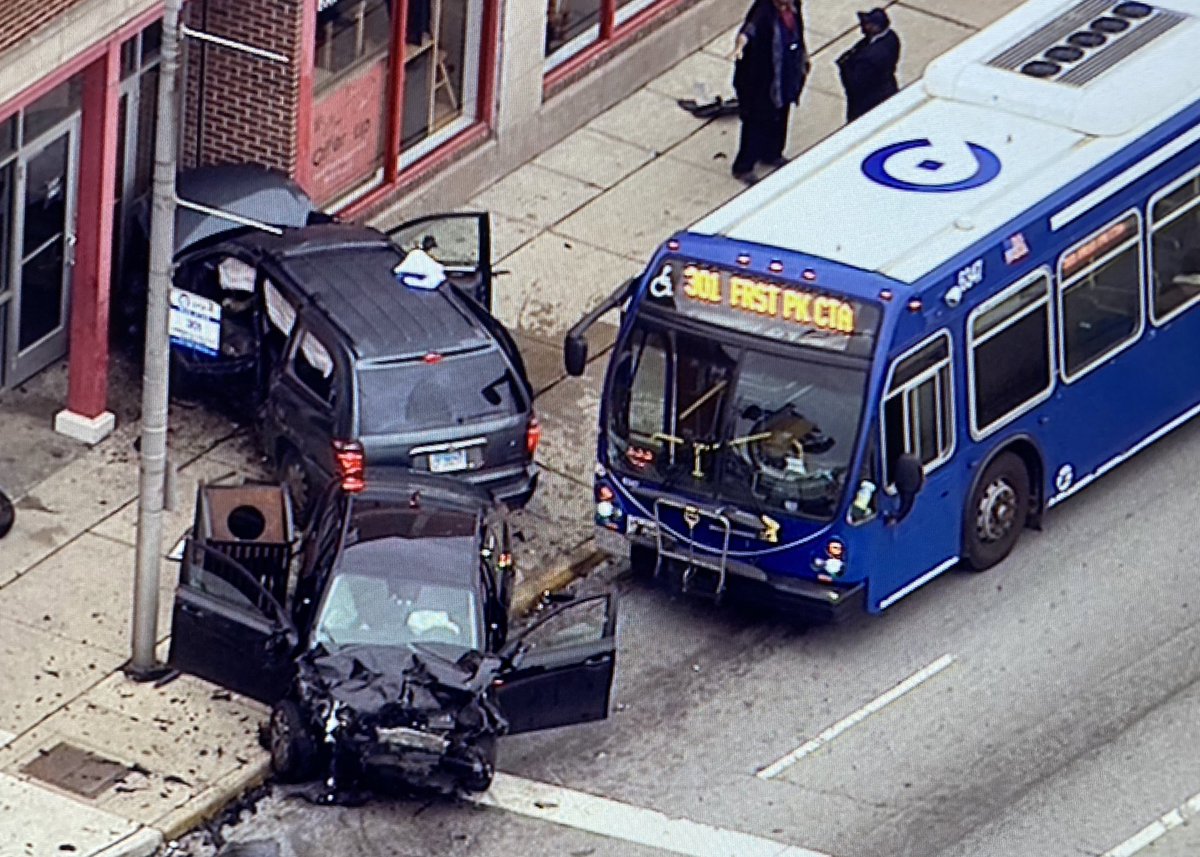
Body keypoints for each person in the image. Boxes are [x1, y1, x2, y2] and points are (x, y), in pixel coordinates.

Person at [731, 0, 809, 184]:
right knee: (756, 124)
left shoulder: (794, 6)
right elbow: (747, 32)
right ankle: (744, 166)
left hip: (786, 74)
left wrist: (803, 57)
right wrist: (739, 45)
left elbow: (798, 32)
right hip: (762, 83)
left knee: (781, 117)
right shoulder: (763, 13)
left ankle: (772, 153)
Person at [836, 8, 901, 123]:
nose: (863, 26)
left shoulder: (872, 57)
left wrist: (844, 66)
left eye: (867, 24)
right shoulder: (890, 37)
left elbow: (854, 82)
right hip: (884, 89)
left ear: (876, 27)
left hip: (868, 101)